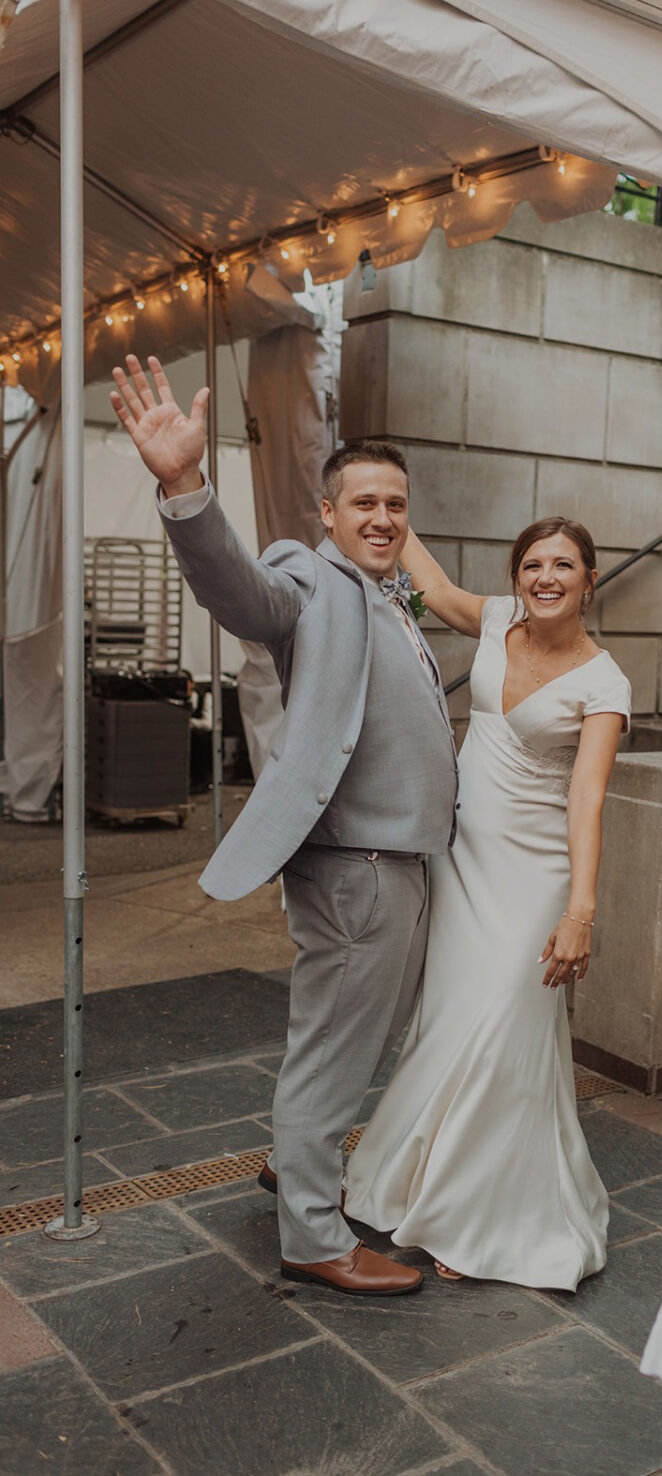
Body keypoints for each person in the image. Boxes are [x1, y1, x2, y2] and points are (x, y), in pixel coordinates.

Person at [109, 354, 459, 1297]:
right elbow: (239, 594)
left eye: (395, 504)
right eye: (364, 505)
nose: (382, 518)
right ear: (328, 517)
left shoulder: (393, 601)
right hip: (357, 869)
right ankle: (312, 1235)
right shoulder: (311, 581)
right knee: (334, 1046)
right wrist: (184, 485)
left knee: (356, 1041)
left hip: (402, 864)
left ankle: (297, 1167)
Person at [344, 517, 631, 1290]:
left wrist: (581, 909)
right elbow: (433, 587)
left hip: (535, 874)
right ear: (517, 577)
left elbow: (588, 796)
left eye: (563, 565)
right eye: (532, 564)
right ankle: (425, 1184)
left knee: (508, 1025)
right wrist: (387, 515)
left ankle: (490, 1214)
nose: (545, 577)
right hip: (460, 856)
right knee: (451, 1020)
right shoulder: (500, 619)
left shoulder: (606, 682)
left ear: (588, 580)